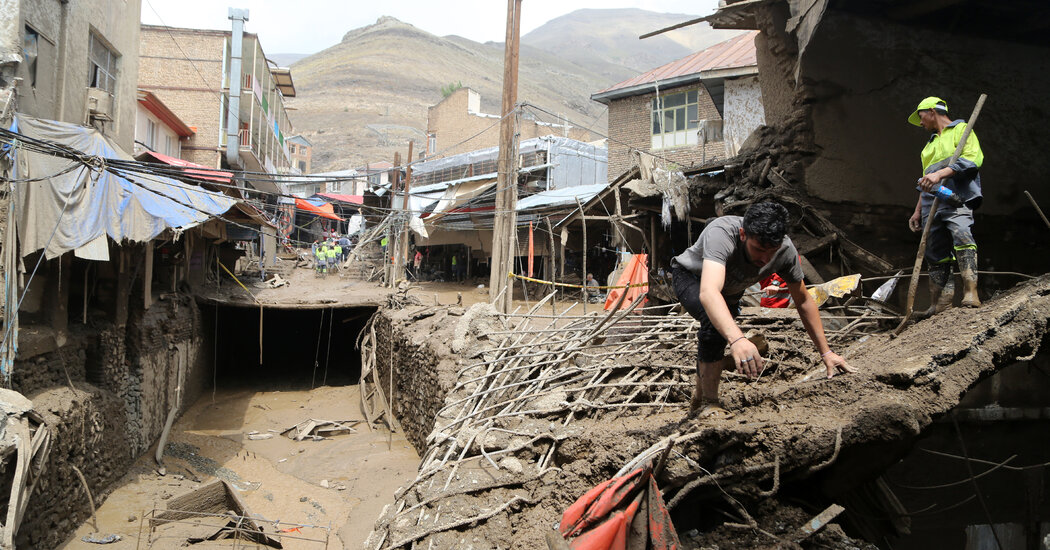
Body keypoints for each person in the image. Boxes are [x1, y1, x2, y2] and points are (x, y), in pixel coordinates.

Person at [671, 201, 854, 417]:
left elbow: (803, 301)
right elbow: (709, 292)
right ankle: (710, 404)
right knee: (714, 324)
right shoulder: (722, 233)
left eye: (772, 252)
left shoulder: (785, 251)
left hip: (729, 292)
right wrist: (738, 340)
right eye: (758, 249)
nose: (765, 259)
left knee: (717, 332)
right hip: (691, 277)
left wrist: (827, 352)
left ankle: (699, 399)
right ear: (742, 234)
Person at [907, 96, 984, 315]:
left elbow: (973, 159)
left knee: (961, 235)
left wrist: (940, 173)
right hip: (932, 202)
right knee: (935, 250)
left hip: (955, 196)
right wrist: (918, 210)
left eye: (921, 116)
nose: (920, 123)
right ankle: (941, 302)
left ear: (932, 111)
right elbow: (926, 181)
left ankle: (971, 293)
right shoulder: (928, 147)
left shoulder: (961, 130)